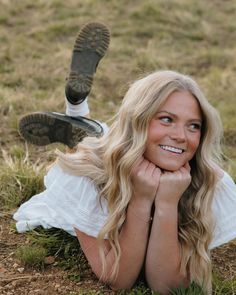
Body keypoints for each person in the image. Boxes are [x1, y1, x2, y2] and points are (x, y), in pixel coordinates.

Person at [14, 22, 236, 295]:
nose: (182, 136)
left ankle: (80, 118)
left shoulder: (211, 183)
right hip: (104, 161)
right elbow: (118, 279)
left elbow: (167, 286)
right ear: (139, 119)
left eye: (194, 125)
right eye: (166, 119)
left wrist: (166, 203)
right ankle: (79, 115)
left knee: (114, 142)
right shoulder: (85, 179)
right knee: (94, 152)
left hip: (127, 144)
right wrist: (142, 199)